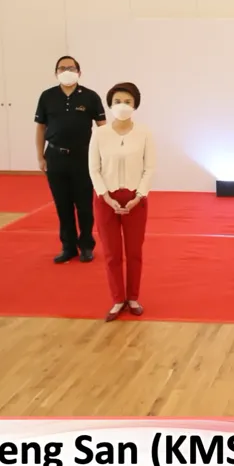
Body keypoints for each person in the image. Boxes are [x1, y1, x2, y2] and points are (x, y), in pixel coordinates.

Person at [89, 82, 155, 322]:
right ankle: (118, 299)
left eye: (127, 102)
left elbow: (149, 168)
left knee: (134, 251)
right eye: (117, 101)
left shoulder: (144, 133)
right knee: (112, 253)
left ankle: (133, 297)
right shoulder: (100, 134)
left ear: (135, 104)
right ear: (110, 104)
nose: (122, 106)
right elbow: (94, 169)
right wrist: (105, 196)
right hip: (106, 199)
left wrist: (139, 196)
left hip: (136, 199)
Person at [35, 55, 106, 264]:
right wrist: (40, 156)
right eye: (62, 68)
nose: (66, 70)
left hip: (83, 157)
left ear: (79, 72)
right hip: (55, 156)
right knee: (62, 205)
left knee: (84, 205)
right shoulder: (47, 96)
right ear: (56, 72)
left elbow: (103, 127)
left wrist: (104, 156)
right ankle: (68, 246)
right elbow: (40, 128)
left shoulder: (90, 97)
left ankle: (86, 245)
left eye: (71, 67)